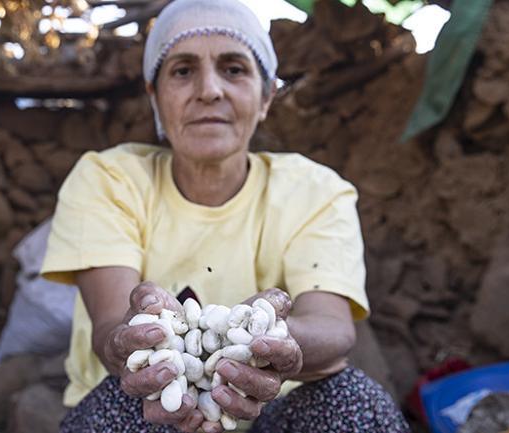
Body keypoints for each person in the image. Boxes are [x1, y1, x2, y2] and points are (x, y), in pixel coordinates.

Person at [41, 0, 411, 431]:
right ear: (154, 96)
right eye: (183, 71)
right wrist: (135, 341)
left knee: (354, 401)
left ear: (266, 96)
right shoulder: (108, 178)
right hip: (144, 409)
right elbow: (111, 326)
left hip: (274, 414)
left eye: (234, 69)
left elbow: (333, 328)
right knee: (131, 405)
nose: (209, 90)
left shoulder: (315, 190)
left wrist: (274, 341)